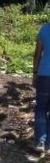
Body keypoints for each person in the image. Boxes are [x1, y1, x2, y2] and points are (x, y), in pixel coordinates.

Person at [32, 22, 50, 154]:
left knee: (41, 108)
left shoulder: (44, 29)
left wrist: (34, 73)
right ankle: (48, 143)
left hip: (44, 75)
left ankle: (40, 141)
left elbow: (37, 53)